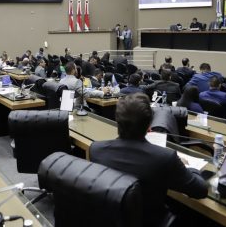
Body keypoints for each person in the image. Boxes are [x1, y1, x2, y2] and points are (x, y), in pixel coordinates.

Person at [89, 93, 208, 226]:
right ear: (149, 125)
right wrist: (191, 168)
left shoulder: (96, 150)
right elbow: (200, 190)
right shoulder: (165, 158)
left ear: (117, 120)